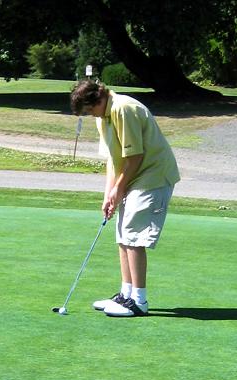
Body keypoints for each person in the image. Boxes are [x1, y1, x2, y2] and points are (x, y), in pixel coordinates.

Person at [70, 80, 180, 317]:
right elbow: (113, 158)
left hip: (153, 176)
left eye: (90, 111)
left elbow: (135, 157)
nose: (91, 116)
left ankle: (139, 301)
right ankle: (126, 294)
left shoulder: (122, 108)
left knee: (134, 236)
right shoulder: (104, 117)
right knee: (123, 234)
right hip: (135, 176)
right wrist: (109, 193)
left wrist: (119, 188)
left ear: (98, 100)